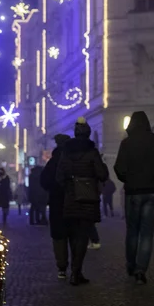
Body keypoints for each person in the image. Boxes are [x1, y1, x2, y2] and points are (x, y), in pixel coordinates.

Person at [114, 111, 154, 285]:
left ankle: (131, 265)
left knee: (132, 231)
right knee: (147, 233)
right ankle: (141, 270)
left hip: (133, 192)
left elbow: (119, 168)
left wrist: (129, 179)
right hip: (153, 191)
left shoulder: (127, 143)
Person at [53, 118, 110, 285]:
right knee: (83, 236)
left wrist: (70, 187)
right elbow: (102, 174)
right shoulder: (92, 152)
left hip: (70, 198)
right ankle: (76, 272)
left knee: (74, 236)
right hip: (88, 199)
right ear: (88, 133)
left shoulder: (66, 152)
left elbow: (59, 177)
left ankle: (74, 271)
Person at [41, 134, 71, 279]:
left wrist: (53, 189)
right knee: (76, 235)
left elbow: (44, 180)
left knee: (59, 235)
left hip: (57, 202)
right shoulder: (74, 158)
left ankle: (62, 267)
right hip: (73, 201)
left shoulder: (53, 161)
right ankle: (77, 269)